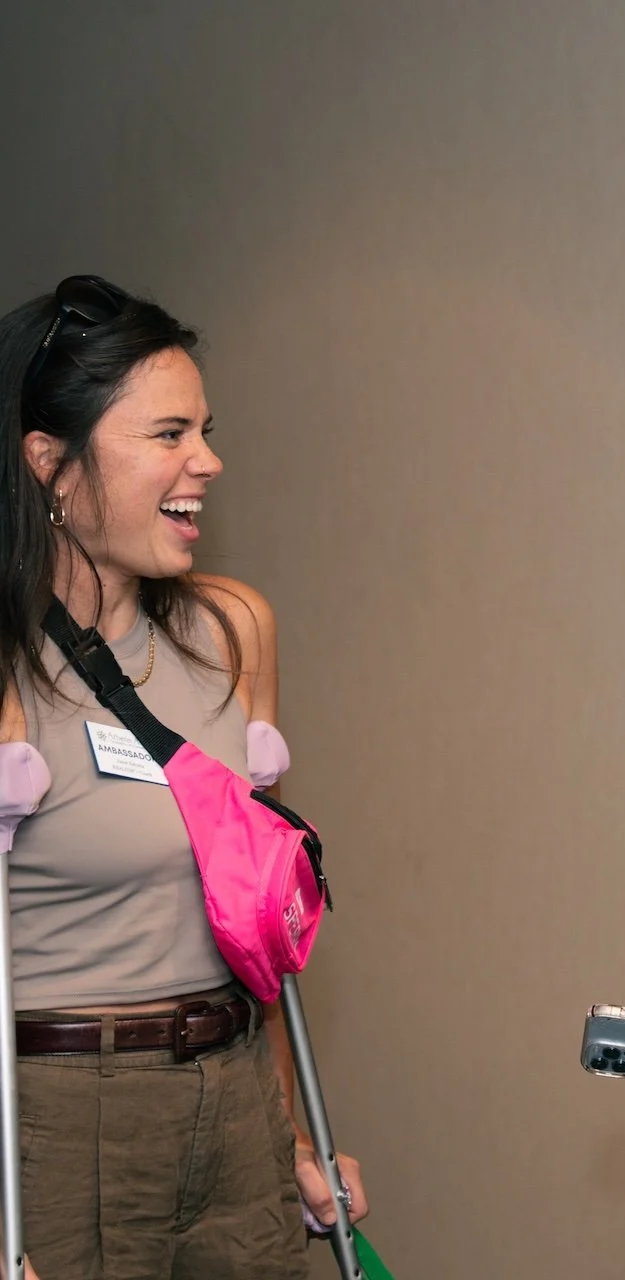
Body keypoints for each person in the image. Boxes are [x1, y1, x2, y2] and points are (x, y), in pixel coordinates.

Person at [0, 276, 367, 1279]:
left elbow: (261, 923)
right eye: (166, 433)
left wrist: (290, 1132)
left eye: (204, 429)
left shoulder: (231, 628)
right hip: (65, 1121)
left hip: (237, 1094)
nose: (206, 461)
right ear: (52, 467)